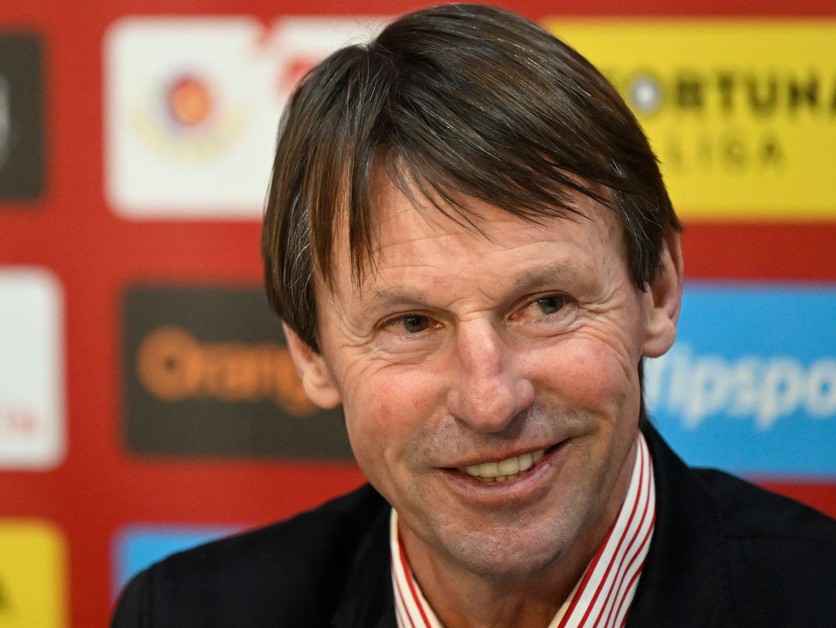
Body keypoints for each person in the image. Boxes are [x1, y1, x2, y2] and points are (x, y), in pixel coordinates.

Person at [112, 4, 836, 627]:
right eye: (411, 324)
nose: (490, 402)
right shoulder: (184, 614)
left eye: (546, 305)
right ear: (311, 354)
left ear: (659, 289)